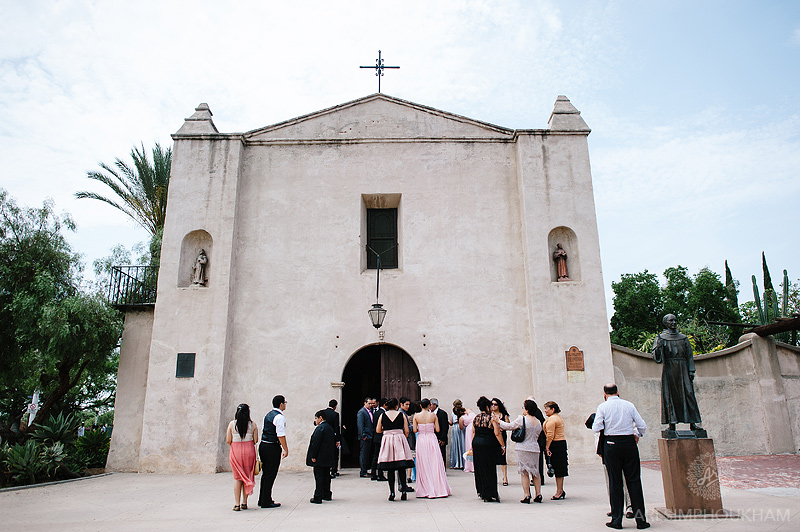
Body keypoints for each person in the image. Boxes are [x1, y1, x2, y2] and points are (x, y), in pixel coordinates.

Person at [592, 383, 650, 530]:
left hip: (611, 444)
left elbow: (596, 427)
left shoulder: (602, 407)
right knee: (634, 481)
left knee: (615, 482)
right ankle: (641, 520)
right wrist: (637, 435)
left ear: (604, 393)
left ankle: (617, 520)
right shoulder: (629, 405)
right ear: (617, 392)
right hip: (629, 444)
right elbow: (642, 425)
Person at [652, 314, 702, 431]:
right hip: (669, 369)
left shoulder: (683, 338)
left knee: (688, 394)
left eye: (675, 320)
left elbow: (689, 356)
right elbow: (656, 357)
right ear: (666, 323)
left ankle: (693, 423)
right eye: (671, 320)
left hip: (683, 368)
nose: (674, 322)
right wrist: (659, 347)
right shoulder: (661, 338)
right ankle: (672, 424)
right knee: (670, 396)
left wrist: (691, 370)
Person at [586, 412, 634, 520]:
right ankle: (616, 508)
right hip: (606, 455)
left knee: (623, 480)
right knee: (612, 482)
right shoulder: (598, 429)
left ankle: (629, 506)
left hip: (615, 451)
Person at [498, 399, 543, 503]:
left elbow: (509, 426)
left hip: (523, 447)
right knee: (536, 472)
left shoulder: (521, 419)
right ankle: (538, 494)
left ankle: (526, 495)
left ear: (526, 410)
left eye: (523, 407)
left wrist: (499, 421)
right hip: (535, 448)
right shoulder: (538, 422)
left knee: (524, 472)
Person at [376, 398, 415, 501]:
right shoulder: (401, 415)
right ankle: (403, 491)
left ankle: (392, 493)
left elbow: (378, 430)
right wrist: (401, 436)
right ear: (397, 406)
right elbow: (406, 431)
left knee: (390, 468)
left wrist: (387, 431)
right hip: (399, 438)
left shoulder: (382, 415)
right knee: (401, 467)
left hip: (388, 440)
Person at [413, 398, 452, 498]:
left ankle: (425, 487)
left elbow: (414, 430)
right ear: (429, 405)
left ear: (421, 406)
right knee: (434, 462)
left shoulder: (416, 416)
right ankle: (437, 486)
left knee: (423, 462)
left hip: (421, 439)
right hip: (431, 438)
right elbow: (437, 429)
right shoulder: (433, 415)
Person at [472, 396, 505, 502]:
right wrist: (502, 445)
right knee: (489, 468)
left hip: (477, 443)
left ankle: (482, 491)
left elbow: (473, 432)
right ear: (487, 406)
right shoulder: (491, 418)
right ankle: (490, 492)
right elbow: (497, 433)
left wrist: (472, 445)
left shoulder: (476, 418)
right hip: (487, 444)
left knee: (480, 467)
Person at [226, 403, 258, 511]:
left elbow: (228, 440)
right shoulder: (252, 424)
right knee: (247, 475)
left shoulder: (232, 424)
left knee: (237, 478)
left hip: (236, 451)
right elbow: (256, 440)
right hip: (249, 451)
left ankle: (236, 504)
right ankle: (245, 502)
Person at [258, 395, 288, 509]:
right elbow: (281, 435)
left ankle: (263, 498)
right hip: (272, 447)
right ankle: (266, 501)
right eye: (285, 402)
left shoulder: (268, 415)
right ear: (281, 404)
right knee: (271, 474)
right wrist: (285, 449)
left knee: (265, 474)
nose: (285, 404)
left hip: (264, 445)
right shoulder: (279, 417)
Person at [307, 410, 337, 503]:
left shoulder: (320, 428)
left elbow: (316, 443)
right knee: (326, 476)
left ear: (320, 418)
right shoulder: (329, 428)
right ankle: (327, 494)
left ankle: (318, 496)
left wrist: (313, 455)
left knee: (319, 477)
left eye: (316, 418)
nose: (315, 420)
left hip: (320, 457)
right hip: (327, 457)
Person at [543, 400, 567, 500]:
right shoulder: (557, 418)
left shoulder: (552, 420)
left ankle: (559, 491)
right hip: (560, 443)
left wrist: (547, 447)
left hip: (555, 444)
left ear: (553, 409)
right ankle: (560, 489)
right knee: (559, 468)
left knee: (557, 468)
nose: (545, 411)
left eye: (547, 409)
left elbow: (550, 435)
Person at [491, 397, 511, 485]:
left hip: (502, 436)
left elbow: (508, 425)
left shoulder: (503, 415)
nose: (493, 406)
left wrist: (501, 426)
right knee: (491, 457)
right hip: (492, 436)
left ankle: (505, 477)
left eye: (495, 404)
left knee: (502, 456)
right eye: (492, 404)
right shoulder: (489, 415)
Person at [399, 397, 416, 491]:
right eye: (406, 404)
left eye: (409, 404)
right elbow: (405, 428)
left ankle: (402, 484)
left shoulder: (403, 413)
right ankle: (402, 485)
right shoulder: (402, 414)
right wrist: (412, 428)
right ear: (401, 404)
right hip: (405, 439)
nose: (408, 406)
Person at [356, 397, 374, 478]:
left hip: (370, 436)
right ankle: (363, 471)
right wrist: (363, 435)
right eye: (369, 403)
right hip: (365, 437)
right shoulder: (361, 412)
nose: (370, 405)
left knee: (367, 454)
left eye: (371, 403)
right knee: (363, 454)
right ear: (365, 403)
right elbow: (360, 425)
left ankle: (366, 470)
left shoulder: (370, 411)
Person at [371, 398, 388, 481]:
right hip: (381, 436)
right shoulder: (383, 413)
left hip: (376, 436)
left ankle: (373, 474)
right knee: (380, 456)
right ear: (384, 404)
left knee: (375, 456)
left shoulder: (376, 413)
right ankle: (380, 475)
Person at [430, 398, 450, 467]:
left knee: (441, 453)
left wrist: (442, 438)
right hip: (432, 437)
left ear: (435, 405)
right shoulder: (430, 414)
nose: (430, 407)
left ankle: (442, 468)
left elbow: (445, 427)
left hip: (440, 437)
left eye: (431, 405)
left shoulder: (442, 413)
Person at [324, 399, 341, 478]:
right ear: (335, 406)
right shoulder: (335, 414)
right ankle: (334, 470)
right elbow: (336, 427)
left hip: (324, 436)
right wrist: (338, 439)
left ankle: (327, 469)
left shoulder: (323, 412)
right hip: (332, 437)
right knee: (334, 454)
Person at [450, 400, 466, 469]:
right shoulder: (464, 411)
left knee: (456, 445)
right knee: (462, 444)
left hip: (456, 427)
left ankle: (456, 462)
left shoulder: (453, 412)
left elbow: (451, 422)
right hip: (462, 427)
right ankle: (463, 462)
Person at [460, 407, 477, 473]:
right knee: (473, 445)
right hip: (474, 428)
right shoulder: (471, 411)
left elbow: (461, 427)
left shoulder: (462, 417)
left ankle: (469, 466)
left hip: (468, 429)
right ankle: (474, 465)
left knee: (469, 446)